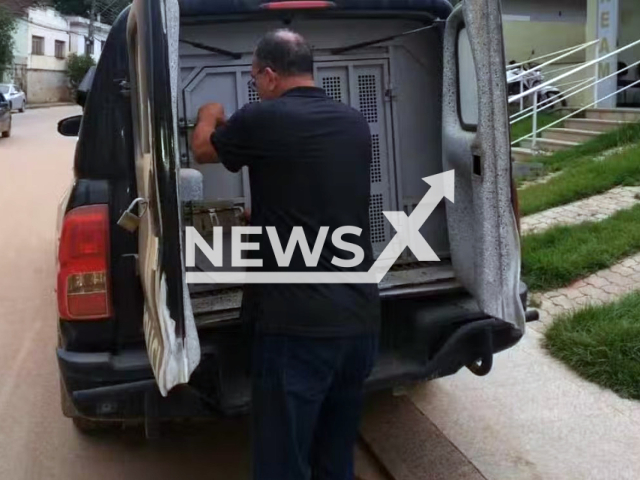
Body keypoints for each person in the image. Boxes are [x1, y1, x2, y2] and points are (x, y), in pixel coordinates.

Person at [192, 29, 380, 480]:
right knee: (335, 454)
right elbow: (318, 189)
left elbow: (201, 150)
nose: (256, 86)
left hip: (297, 324)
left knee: (282, 460)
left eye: (257, 78)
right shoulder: (354, 121)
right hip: (359, 318)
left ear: (271, 75)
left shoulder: (263, 117)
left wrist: (209, 113)